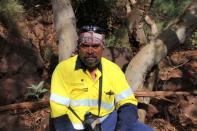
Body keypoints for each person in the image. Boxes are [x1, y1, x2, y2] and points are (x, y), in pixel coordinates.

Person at [50, 25, 153, 131]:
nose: (90, 51)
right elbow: (59, 112)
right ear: (78, 47)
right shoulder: (63, 69)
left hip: (108, 122)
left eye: (95, 46)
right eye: (85, 46)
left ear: (103, 47)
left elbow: (128, 102)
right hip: (75, 127)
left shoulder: (113, 69)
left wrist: (121, 128)